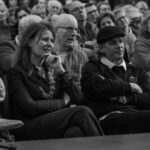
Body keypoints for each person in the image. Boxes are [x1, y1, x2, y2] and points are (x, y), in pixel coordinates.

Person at [7, 21, 102, 140]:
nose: (49, 44)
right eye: (45, 39)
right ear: (30, 42)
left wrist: (61, 71)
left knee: (75, 133)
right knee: (82, 112)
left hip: (54, 122)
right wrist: (63, 103)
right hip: (28, 126)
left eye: (52, 40)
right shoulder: (16, 72)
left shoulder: (54, 68)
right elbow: (29, 107)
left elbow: (78, 97)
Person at [81, 26, 150, 135]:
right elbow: (100, 87)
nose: (119, 46)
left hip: (135, 114)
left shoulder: (136, 71)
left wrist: (126, 98)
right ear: (101, 48)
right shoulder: (92, 67)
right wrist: (131, 87)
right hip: (107, 117)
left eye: (121, 42)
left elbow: (148, 97)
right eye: (113, 43)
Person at [52, 14, 88, 87]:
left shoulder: (80, 55)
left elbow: (84, 84)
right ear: (56, 30)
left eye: (76, 29)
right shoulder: (44, 53)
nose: (74, 33)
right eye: (69, 29)